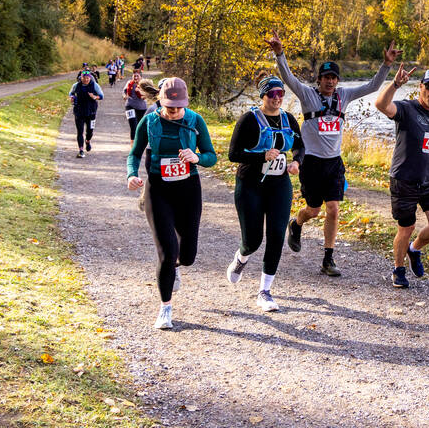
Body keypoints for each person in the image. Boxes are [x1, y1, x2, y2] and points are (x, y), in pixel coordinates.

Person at [268, 31, 398, 277]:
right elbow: (288, 79)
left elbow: (371, 86)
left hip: (334, 163)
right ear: (319, 79)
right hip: (312, 163)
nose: (330, 82)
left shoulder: (344, 96)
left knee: (334, 209)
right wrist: (279, 54)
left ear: (337, 81)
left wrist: (386, 65)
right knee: (313, 210)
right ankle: (296, 224)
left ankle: (328, 258)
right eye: (326, 77)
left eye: (333, 78)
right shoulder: (308, 95)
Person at [126, 77, 218, 330]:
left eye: (179, 107)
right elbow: (134, 154)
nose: (174, 111)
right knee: (167, 253)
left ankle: (177, 265)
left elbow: (212, 157)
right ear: (161, 101)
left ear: (185, 103)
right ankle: (165, 308)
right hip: (159, 190)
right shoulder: (150, 120)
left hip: (188, 190)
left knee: (187, 257)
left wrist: (196, 157)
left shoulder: (195, 121)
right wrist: (132, 175)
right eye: (169, 107)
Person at [374, 66, 429, 289]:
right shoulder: (407, 109)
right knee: (406, 227)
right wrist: (395, 85)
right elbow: (381, 105)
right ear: (421, 87)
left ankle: (414, 249)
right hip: (404, 180)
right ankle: (398, 269)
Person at [225, 76, 305, 312]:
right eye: (272, 94)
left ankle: (265, 291)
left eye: (281, 93)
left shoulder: (288, 119)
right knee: (252, 240)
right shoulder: (249, 120)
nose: (278, 98)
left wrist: (296, 162)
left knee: (277, 235)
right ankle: (241, 258)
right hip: (250, 183)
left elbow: (300, 145)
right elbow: (233, 153)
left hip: (279, 184)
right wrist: (261, 156)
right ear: (263, 96)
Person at [68, 70, 103, 157]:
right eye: (84, 78)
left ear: (90, 78)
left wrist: (94, 97)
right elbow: (71, 93)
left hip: (91, 112)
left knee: (90, 132)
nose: (86, 79)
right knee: (80, 131)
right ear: (81, 78)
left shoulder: (94, 85)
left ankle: (87, 141)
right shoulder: (76, 85)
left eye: (87, 78)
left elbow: (101, 96)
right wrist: (72, 97)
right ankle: (81, 150)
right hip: (79, 111)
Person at [123, 70, 148, 141]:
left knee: (140, 126)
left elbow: (147, 96)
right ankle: (132, 143)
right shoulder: (129, 83)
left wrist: (140, 91)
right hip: (129, 105)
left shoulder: (144, 84)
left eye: (137, 76)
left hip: (141, 107)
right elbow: (124, 92)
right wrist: (124, 96)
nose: (136, 77)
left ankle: (139, 142)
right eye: (134, 76)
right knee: (133, 125)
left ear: (141, 77)